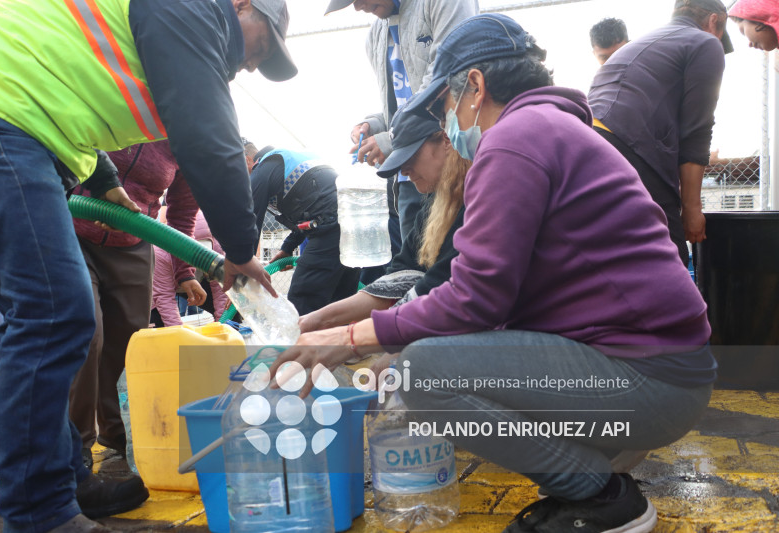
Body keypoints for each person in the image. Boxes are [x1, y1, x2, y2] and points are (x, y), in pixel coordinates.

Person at [271, 14, 716, 532]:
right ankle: (596, 467)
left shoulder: (514, 140)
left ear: (476, 87)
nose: (450, 121)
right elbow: (482, 300)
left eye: (446, 103)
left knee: (422, 370)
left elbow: (473, 299)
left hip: (649, 381)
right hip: (657, 372)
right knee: (431, 358)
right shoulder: (551, 129)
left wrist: (349, 339)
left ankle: (600, 496)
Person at [0, 0, 296, 530]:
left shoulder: (168, 24)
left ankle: (64, 478)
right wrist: (239, 252)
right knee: (54, 313)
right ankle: (37, 509)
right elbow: (208, 133)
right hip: (0, 111)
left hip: (28, 127)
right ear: (241, 5)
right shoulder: (193, 9)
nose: (247, 66)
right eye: (259, 48)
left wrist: (105, 183)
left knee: (55, 318)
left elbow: (74, 82)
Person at [70, 141, 203, 468]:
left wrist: (184, 271)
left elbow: (182, 213)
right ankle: (77, 450)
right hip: (74, 231)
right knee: (86, 332)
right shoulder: (120, 103)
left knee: (129, 344)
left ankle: (122, 441)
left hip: (133, 242)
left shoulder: (183, 137)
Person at [299, 99, 468, 338]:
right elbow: (401, 274)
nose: (404, 170)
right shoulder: (435, 204)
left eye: (410, 157)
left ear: (445, 140)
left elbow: (436, 286)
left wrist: (350, 337)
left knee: (409, 357)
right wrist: (318, 318)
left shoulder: (476, 200)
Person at [324, 0, 478, 255]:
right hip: (410, 175)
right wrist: (376, 124)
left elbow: (450, 80)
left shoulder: (443, 4)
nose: (358, 7)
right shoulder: (376, 34)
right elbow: (401, 103)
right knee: (416, 262)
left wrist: (390, 139)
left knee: (455, 259)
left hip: (452, 161)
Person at [588, 0, 733, 267]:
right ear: (715, 21)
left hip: (587, 142)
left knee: (620, 255)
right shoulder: (705, 42)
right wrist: (691, 210)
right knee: (670, 255)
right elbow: (697, 130)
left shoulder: (646, 42)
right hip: (628, 144)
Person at [249, 147, 361, 315]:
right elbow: (312, 210)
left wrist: (244, 270)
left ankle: (301, 340)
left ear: (248, 160)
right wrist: (287, 248)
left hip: (331, 228)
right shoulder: (290, 160)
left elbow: (250, 220)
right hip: (353, 224)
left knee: (303, 303)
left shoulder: (263, 169)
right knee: (340, 304)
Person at [152, 212, 230, 327]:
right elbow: (164, 297)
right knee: (158, 327)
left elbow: (220, 291)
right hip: (163, 286)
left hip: (199, 283)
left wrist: (224, 327)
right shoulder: (160, 252)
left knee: (230, 308)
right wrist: (178, 334)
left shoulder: (217, 247)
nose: (199, 262)